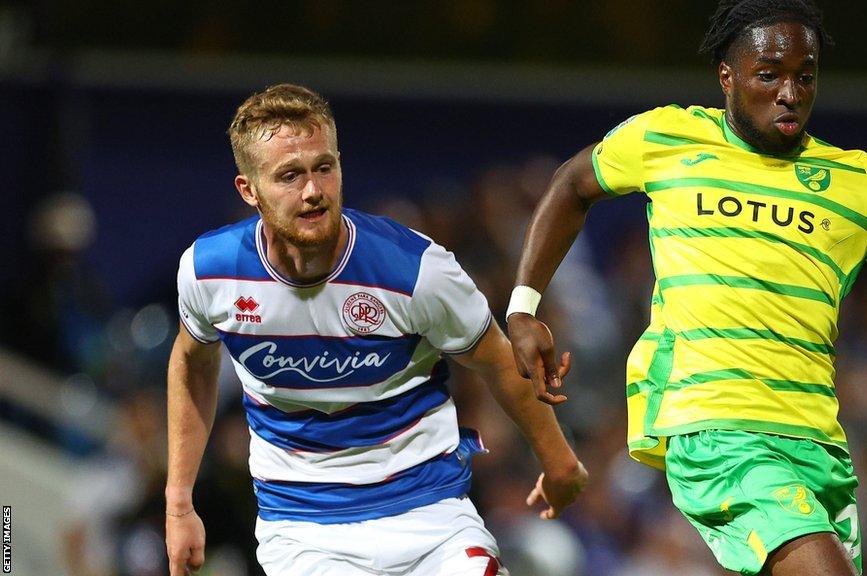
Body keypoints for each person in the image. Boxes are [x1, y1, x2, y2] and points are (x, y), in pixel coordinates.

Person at [505, 1, 867, 575]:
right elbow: (572, 183)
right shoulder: (668, 137)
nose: (790, 92)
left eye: (805, 76)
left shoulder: (853, 183)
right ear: (728, 77)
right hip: (716, 427)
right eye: (769, 74)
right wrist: (524, 306)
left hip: (816, 441)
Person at [165, 83, 587, 576]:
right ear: (249, 190)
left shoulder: (415, 270)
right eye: (289, 175)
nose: (313, 191)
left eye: (324, 167)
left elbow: (496, 358)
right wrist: (178, 505)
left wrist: (558, 461)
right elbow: (192, 363)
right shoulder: (208, 271)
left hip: (430, 515)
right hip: (304, 530)